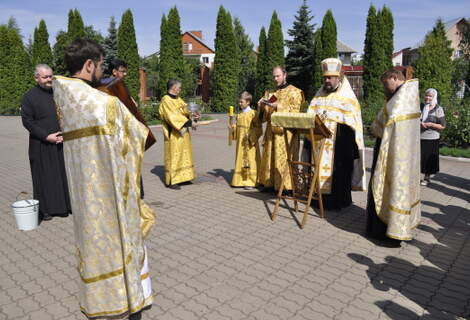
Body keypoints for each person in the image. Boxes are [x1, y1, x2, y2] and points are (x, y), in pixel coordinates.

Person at [53, 39, 155, 320]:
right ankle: (127, 300)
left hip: (85, 198)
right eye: (99, 66)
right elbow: (140, 138)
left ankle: (100, 302)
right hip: (111, 196)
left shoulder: (65, 101)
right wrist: (128, 106)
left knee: (95, 248)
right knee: (122, 245)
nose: (102, 72)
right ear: (89, 65)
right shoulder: (105, 105)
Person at [366, 69, 421, 245]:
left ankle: (385, 232)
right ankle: (395, 228)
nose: (385, 87)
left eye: (385, 83)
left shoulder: (400, 100)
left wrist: (373, 128)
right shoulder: (408, 96)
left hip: (393, 153)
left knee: (387, 187)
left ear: (394, 78)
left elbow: (382, 123)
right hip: (403, 155)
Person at [306, 58, 365, 210]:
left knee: (339, 173)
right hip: (319, 145)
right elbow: (310, 118)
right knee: (317, 169)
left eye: (330, 77)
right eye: (325, 77)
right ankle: (317, 199)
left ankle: (338, 201)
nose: (327, 80)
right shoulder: (318, 97)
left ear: (339, 78)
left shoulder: (348, 99)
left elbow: (353, 125)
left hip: (339, 146)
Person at [21, 64, 71, 221]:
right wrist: (46, 136)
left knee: (62, 175)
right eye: (45, 77)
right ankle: (45, 210)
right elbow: (27, 122)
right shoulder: (29, 97)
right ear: (36, 78)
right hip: (41, 143)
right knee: (43, 177)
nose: (49, 79)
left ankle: (66, 206)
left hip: (61, 141)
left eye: (51, 76)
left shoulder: (58, 93)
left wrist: (65, 133)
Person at [258, 66, 304, 192]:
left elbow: (296, 113)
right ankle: (269, 183)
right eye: (274, 76)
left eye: (278, 76)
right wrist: (262, 106)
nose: (275, 79)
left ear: (285, 75)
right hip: (271, 131)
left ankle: (286, 186)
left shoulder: (295, 92)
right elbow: (263, 117)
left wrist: (279, 106)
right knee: (270, 157)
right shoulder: (271, 93)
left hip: (286, 133)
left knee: (284, 159)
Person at [159, 79, 198, 189]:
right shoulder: (166, 100)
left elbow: (185, 109)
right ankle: (172, 180)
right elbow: (172, 116)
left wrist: (193, 114)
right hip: (174, 132)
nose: (180, 90)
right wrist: (190, 123)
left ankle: (183, 177)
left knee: (183, 154)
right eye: (179, 88)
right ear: (174, 87)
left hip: (183, 132)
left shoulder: (178, 99)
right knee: (174, 155)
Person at [230, 91, 262, 189]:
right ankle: (239, 180)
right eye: (239, 102)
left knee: (250, 160)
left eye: (241, 102)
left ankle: (251, 181)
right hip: (241, 143)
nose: (239, 104)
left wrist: (251, 135)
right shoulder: (239, 114)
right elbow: (237, 127)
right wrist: (233, 128)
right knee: (241, 159)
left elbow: (259, 128)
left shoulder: (253, 114)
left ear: (248, 102)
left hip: (250, 143)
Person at [420, 88, 446, 186]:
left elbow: (442, 126)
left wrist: (431, 124)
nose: (427, 98)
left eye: (430, 96)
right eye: (426, 95)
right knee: (419, 158)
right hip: (419, 137)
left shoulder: (439, 109)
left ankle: (427, 178)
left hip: (432, 138)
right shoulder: (420, 107)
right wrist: (419, 123)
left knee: (428, 159)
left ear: (434, 97)